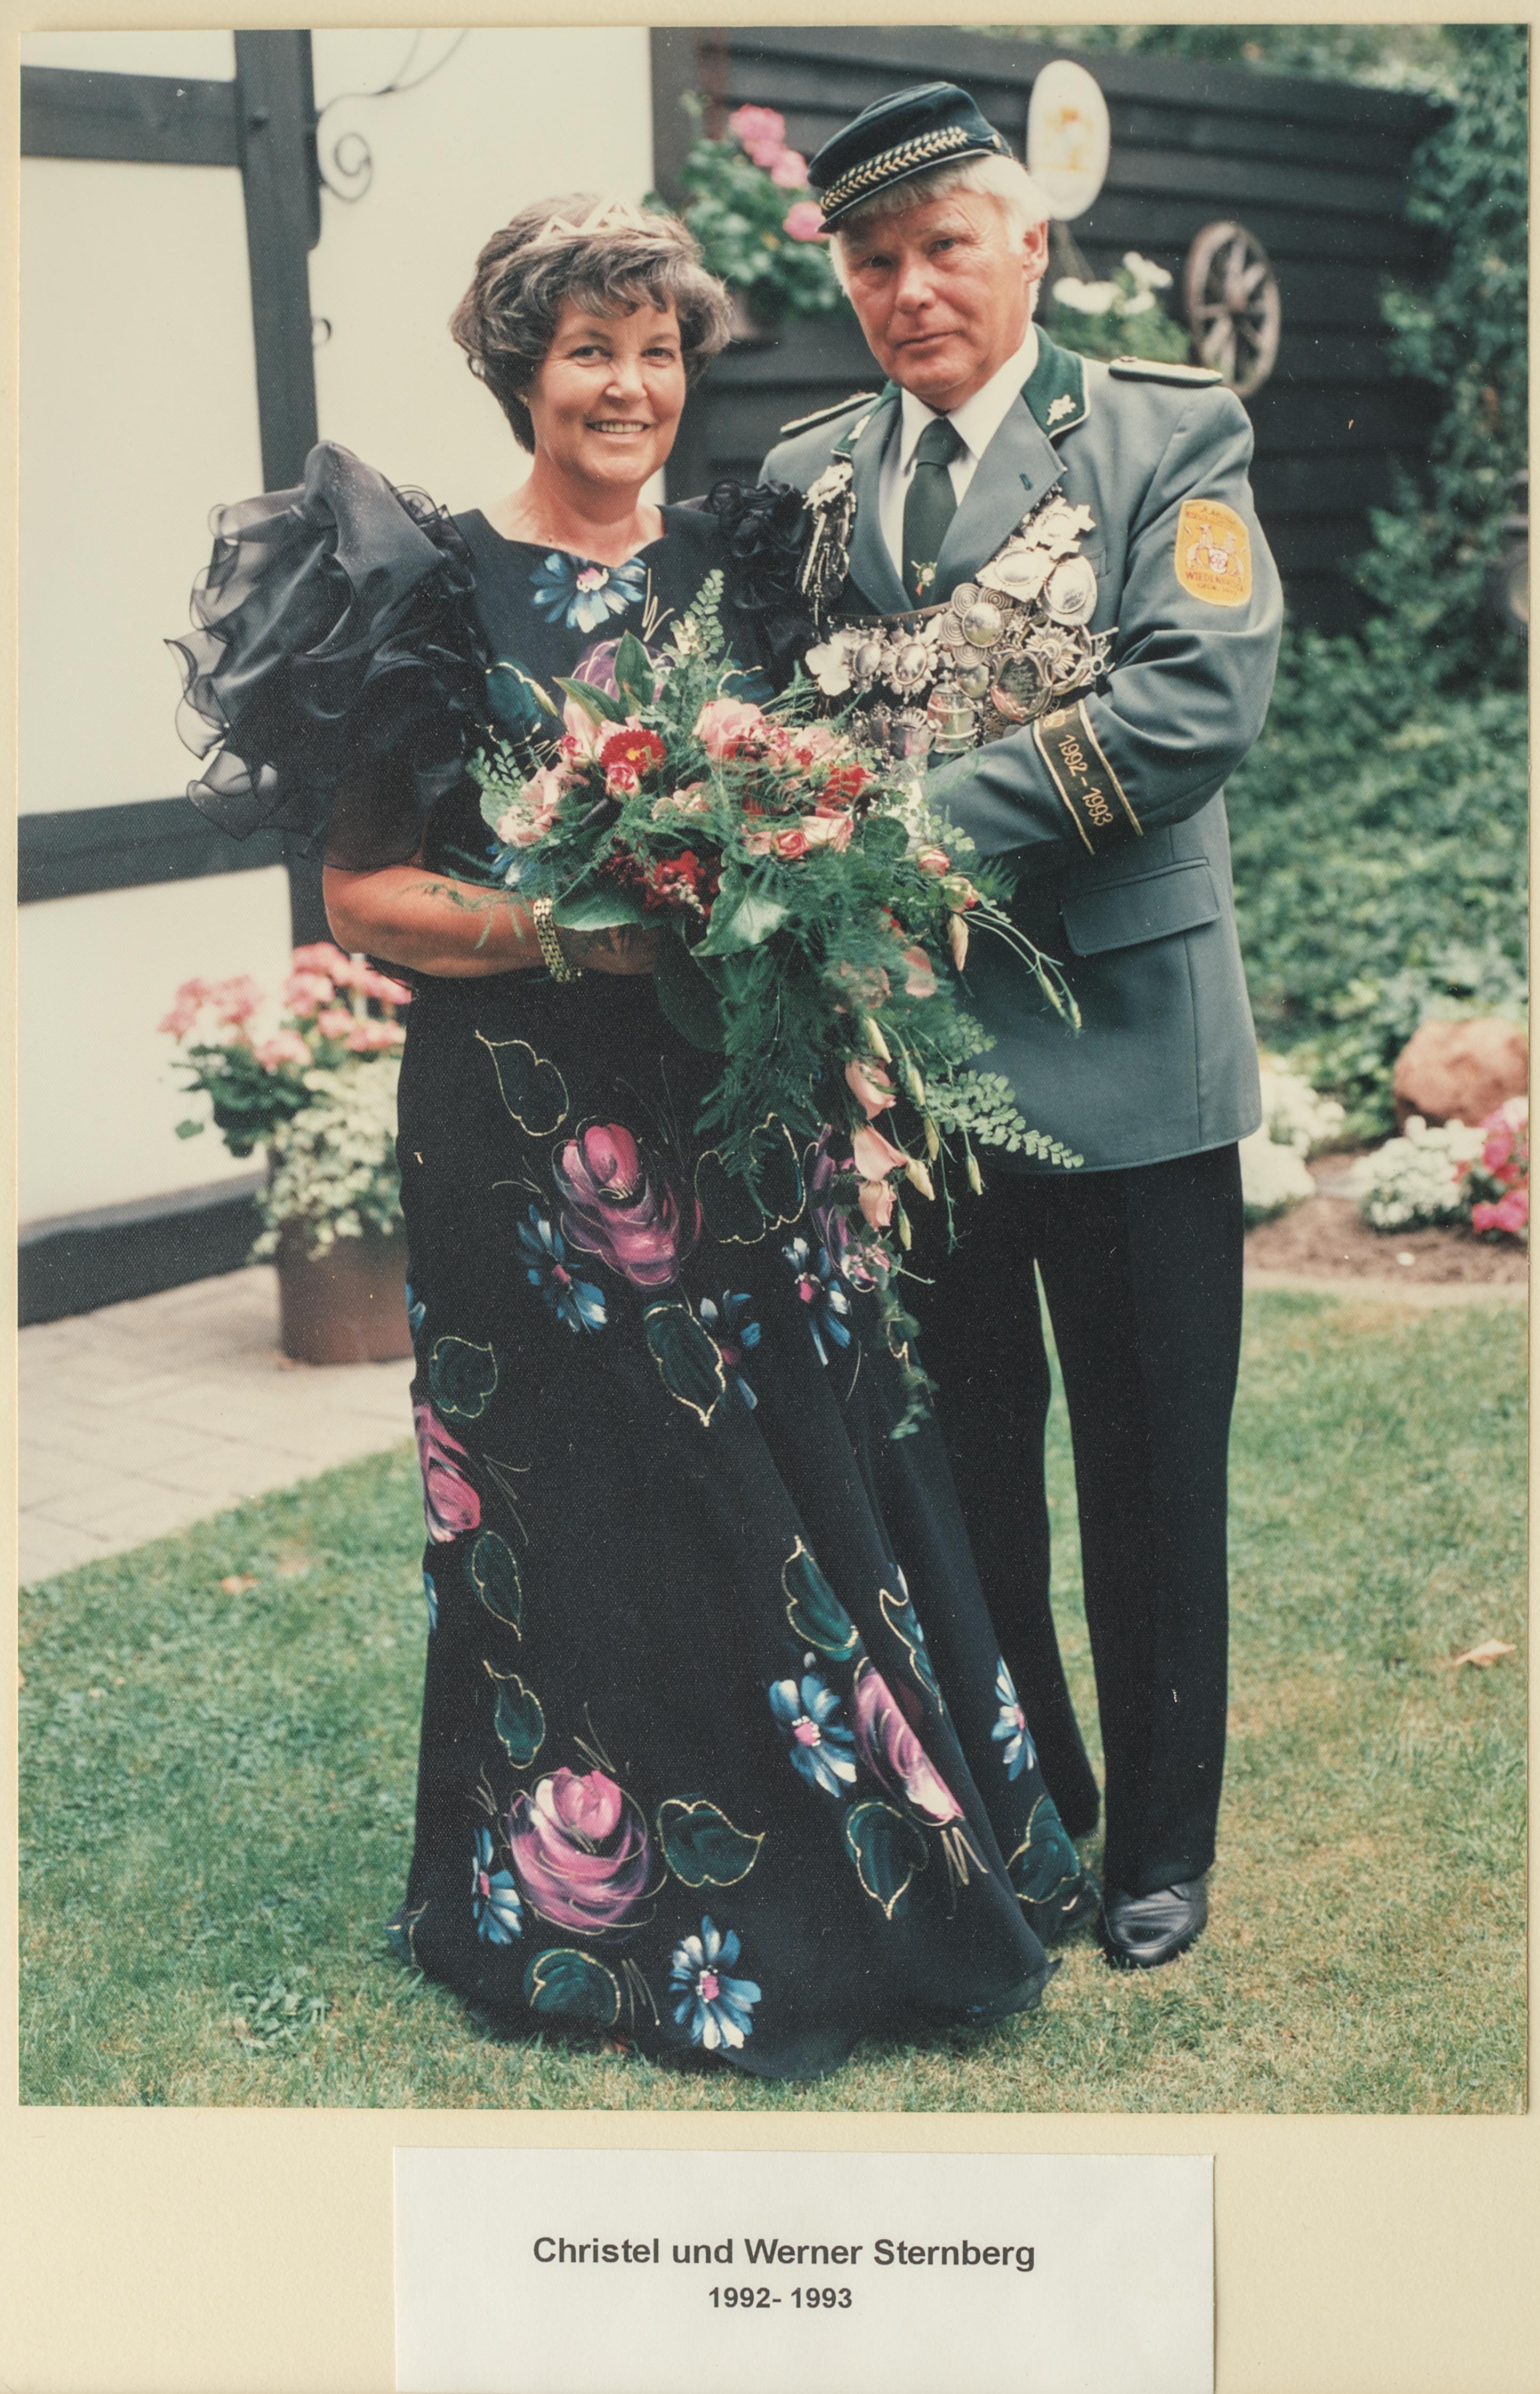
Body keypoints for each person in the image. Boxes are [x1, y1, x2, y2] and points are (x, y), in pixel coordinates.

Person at [170, 192, 1098, 2082]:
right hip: (524, 1141)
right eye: (591, 349)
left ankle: (869, 1880)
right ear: (521, 368)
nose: (631, 386)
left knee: (793, 1467)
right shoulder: (426, 590)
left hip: (744, 1102)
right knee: (587, 1495)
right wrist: (568, 928)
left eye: (659, 350)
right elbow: (362, 892)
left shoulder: (750, 565)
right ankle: (600, 1912)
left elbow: (844, 802)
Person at [763, 84, 1283, 1970]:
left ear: (1030, 243)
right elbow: (769, 717)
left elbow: (1192, 703)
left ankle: (1160, 1842)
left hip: (1130, 1043)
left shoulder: (1162, 433)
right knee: (966, 1464)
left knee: (1150, 1467)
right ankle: (1032, 1799)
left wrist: (898, 818)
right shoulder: (811, 477)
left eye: (944, 246)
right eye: (872, 260)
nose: (910, 289)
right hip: (917, 1072)